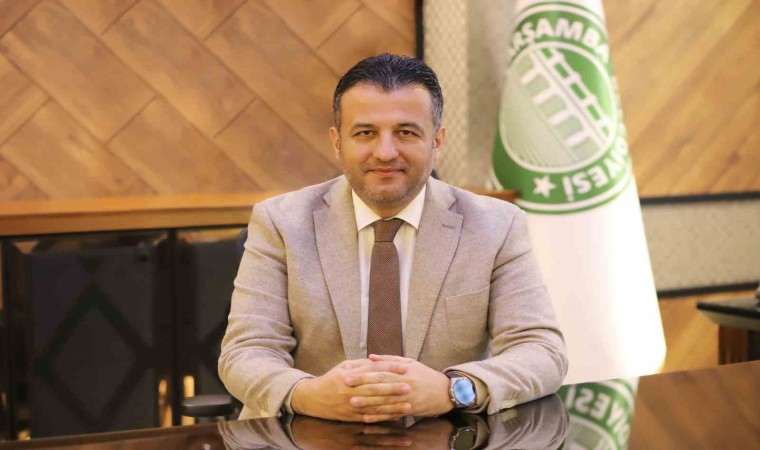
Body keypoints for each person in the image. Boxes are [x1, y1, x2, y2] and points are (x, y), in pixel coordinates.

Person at [219, 53, 567, 423]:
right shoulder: (280, 222)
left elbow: (541, 351)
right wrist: (307, 395)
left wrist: (453, 390)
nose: (385, 152)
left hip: (445, 435)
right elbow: (246, 351)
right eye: (365, 133)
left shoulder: (497, 225)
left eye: (406, 133)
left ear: (437, 140)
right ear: (337, 142)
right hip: (309, 432)